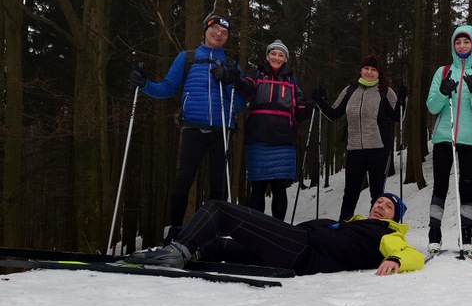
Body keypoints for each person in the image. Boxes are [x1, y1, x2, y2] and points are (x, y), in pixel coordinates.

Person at [129, 14, 246, 245]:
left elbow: (240, 104)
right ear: (205, 31)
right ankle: (175, 229)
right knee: (184, 179)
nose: (219, 34)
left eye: (224, 33)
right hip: (194, 127)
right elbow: (167, 88)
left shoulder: (232, 65)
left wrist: (228, 81)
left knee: (218, 183)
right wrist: (144, 85)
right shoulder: (188, 58)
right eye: (215, 29)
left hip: (222, 129)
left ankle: (214, 230)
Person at [125, 193, 424, 276]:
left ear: (395, 218)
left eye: (388, 207)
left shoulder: (387, 234)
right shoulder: (354, 224)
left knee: (219, 209)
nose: (380, 207)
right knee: (219, 245)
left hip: (300, 249)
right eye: (378, 202)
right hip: (290, 252)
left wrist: (396, 260)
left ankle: (176, 251)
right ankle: (188, 251)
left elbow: (413, 255)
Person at [313, 54, 406, 221]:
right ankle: (343, 225)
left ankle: (374, 228)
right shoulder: (350, 90)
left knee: (377, 194)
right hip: (355, 150)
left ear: (379, 73)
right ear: (361, 70)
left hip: (379, 150)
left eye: (373, 70)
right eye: (366, 68)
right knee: (350, 193)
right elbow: (334, 113)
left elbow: (398, 116)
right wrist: (320, 101)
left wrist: (403, 99)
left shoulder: (385, 91)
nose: (369, 72)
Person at [425, 25, 472, 255]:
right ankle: (434, 234)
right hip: (444, 136)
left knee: (467, 186)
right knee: (440, 186)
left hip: (471, 138)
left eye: (466, 42)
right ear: (453, 45)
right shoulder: (443, 72)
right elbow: (432, 107)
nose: (462, 46)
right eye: (458, 42)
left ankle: (466, 235)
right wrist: (443, 92)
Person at [233, 39, 313, 221]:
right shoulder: (256, 74)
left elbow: (300, 112)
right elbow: (246, 87)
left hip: (284, 142)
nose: (276, 57)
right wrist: (237, 81)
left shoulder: (292, 82)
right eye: (273, 53)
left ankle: (278, 228)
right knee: (258, 187)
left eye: (281, 55)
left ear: (286, 59)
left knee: (279, 188)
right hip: (259, 139)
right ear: (267, 55)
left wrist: (314, 105)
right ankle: (256, 227)